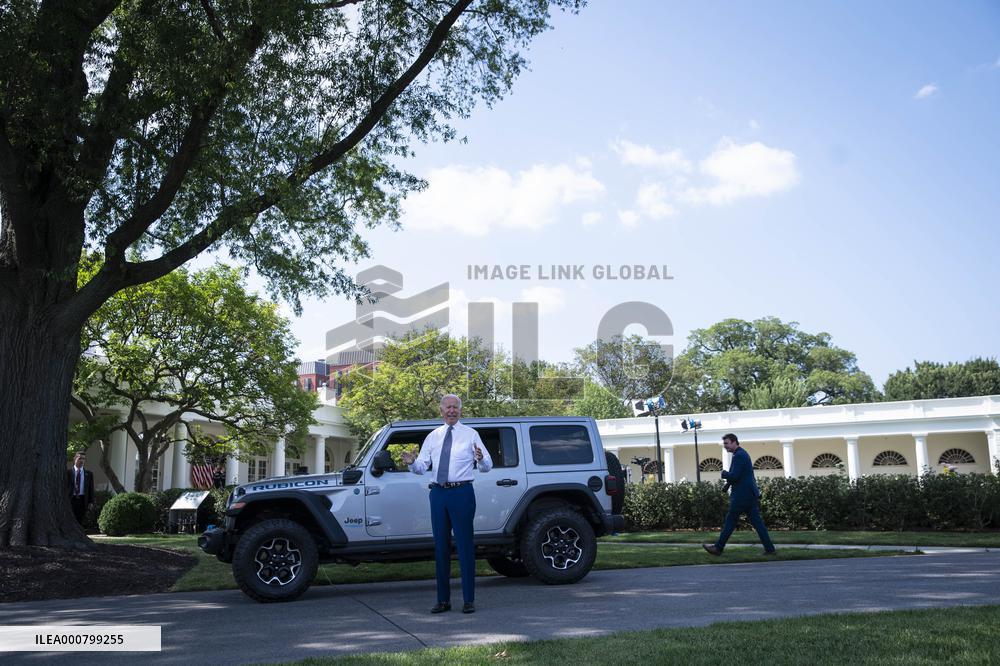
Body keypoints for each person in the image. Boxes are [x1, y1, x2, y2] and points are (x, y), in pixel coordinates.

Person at [401, 394, 493, 614]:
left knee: (464, 545)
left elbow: (487, 466)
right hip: (438, 495)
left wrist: (480, 458)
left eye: (455, 407)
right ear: (441, 411)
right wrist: (412, 463)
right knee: (440, 547)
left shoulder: (471, 435)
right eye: (448, 407)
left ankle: (468, 600)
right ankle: (443, 600)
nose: (452, 411)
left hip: (461, 493)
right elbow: (422, 466)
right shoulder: (433, 437)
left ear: (460, 410)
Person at [703, 433, 776, 556]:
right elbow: (740, 475)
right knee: (757, 524)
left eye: (726, 443)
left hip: (742, 495)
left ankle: (718, 548)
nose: (725, 446)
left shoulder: (739, 456)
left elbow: (735, 476)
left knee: (730, 521)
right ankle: (770, 549)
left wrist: (724, 474)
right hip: (749, 494)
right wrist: (726, 486)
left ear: (734, 442)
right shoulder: (741, 454)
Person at [66, 452, 95, 525]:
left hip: (82, 500)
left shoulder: (89, 474)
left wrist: (91, 502)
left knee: (80, 520)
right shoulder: (68, 473)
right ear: (75, 459)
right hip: (71, 499)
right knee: (69, 520)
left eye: (84, 459)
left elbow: (91, 489)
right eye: (80, 458)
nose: (82, 461)